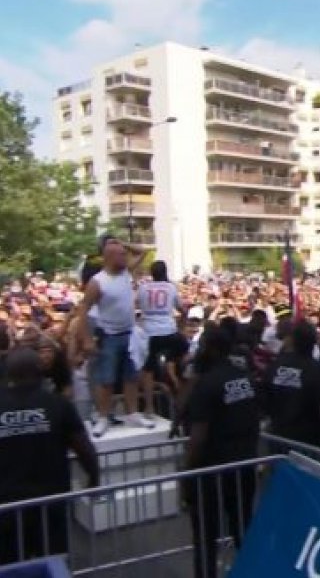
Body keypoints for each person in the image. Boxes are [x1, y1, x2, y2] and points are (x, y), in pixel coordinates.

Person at [0, 348, 99, 565]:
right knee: (54, 563)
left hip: (7, 507)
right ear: (40, 371)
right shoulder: (58, 404)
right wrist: (94, 477)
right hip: (50, 503)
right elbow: (84, 448)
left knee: (11, 567)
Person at [183, 325, 260, 578]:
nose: (199, 350)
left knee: (206, 538)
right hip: (243, 468)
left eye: (203, 345)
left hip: (212, 473)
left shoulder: (207, 384)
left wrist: (187, 475)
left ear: (213, 349)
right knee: (244, 531)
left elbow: (198, 438)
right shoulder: (245, 377)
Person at [77, 238, 152, 436]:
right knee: (106, 378)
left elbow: (142, 250)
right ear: (109, 257)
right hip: (108, 335)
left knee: (131, 375)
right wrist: (86, 338)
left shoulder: (126, 272)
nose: (125, 256)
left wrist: (122, 243)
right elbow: (83, 310)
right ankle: (103, 417)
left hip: (129, 333)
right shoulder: (97, 282)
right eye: (121, 254)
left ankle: (133, 413)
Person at [261, 320, 320, 452]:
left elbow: (264, 403)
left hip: (279, 441)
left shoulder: (274, 366)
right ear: (314, 342)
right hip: (308, 447)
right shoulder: (318, 370)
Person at [137, 260, 186, 417]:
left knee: (148, 369)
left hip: (150, 333)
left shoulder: (143, 288)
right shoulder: (171, 287)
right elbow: (182, 309)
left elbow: (136, 304)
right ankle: (181, 389)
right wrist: (181, 326)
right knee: (183, 355)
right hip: (169, 331)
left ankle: (149, 407)